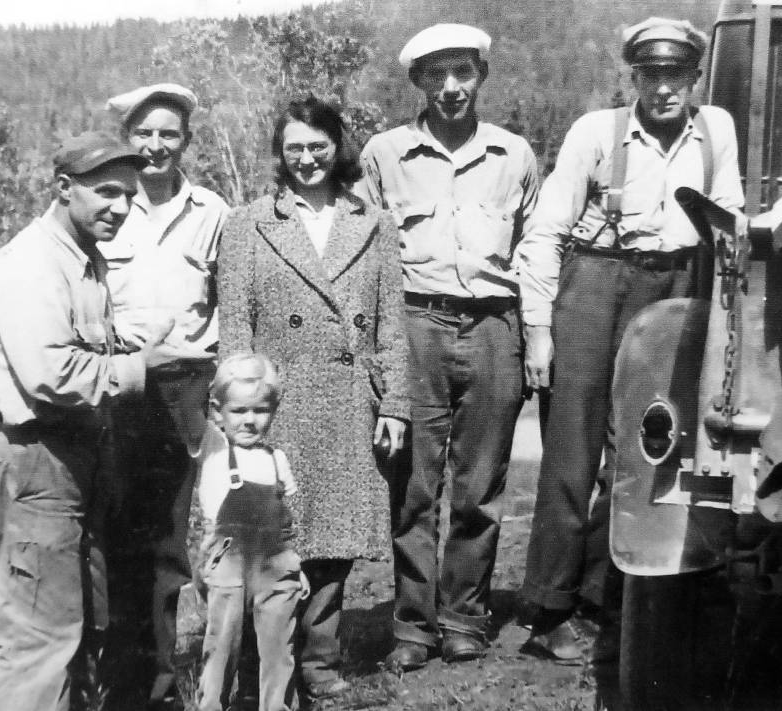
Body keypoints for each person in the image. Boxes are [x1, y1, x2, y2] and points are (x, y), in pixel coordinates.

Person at [517, 17, 745, 662]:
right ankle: (550, 606)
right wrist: (539, 329)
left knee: (645, 448)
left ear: (694, 77)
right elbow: (544, 232)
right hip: (595, 281)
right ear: (634, 75)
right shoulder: (597, 131)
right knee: (572, 448)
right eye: (651, 73)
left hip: (675, 283)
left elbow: (726, 216)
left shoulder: (717, 128)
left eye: (677, 74)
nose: (664, 88)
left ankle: (604, 599)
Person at [0, 131, 178, 711]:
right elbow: (48, 373)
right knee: (38, 643)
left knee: (78, 628)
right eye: (106, 192)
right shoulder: (31, 264)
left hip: (69, 462)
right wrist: (140, 366)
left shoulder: (82, 258)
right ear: (63, 188)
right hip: (31, 459)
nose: (121, 207)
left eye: (129, 196)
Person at [357, 24, 539, 670]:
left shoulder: (514, 154)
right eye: (436, 75)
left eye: (462, 72)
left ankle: (465, 616)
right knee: (412, 484)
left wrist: (533, 332)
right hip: (415, 325)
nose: (451, 87)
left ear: (481, 77)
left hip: (495, 325)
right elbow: (365, 255)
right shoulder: (384, 154)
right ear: (417, 83)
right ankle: (412, 625)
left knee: (481, 486)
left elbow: (533, 248)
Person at [217, 95, 409, 700]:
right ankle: (265, 665)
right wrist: (241, 408)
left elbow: (391, 326)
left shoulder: (373, 223)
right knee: (273, 536)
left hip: (350, 399)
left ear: (338, 147)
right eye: (294, 147)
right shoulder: (249, 223)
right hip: (276, 404)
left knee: (333, 542)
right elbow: (235, 326)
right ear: (279, 153)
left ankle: (321, 664)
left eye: (317, 146)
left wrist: (396, 404)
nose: (306, 158)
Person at [100, 83, 229, 706]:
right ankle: (129, 681)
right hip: (116, 386)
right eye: (143, 134)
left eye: (168, 134)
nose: (155, 146)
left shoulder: (213, 212)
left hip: (187, 386)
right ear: (126, 140)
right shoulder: (104, 206)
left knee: (174, 539)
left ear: (186, 142)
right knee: (120, 534)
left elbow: (231, 303)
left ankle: (171, 683)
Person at [191, 352, 309, 711]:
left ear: (273, 410)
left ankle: (277, 705)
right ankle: (212, 704)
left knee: (278, 646)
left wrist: (297, 565)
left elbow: (287, 520)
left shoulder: (277, 460)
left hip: (274, 563)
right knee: (222, 643)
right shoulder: (212, 448)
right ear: (218, 412)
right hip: (228, 562)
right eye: (239, 411)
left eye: (260, 410)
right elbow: (186, 408)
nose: (249, 421)